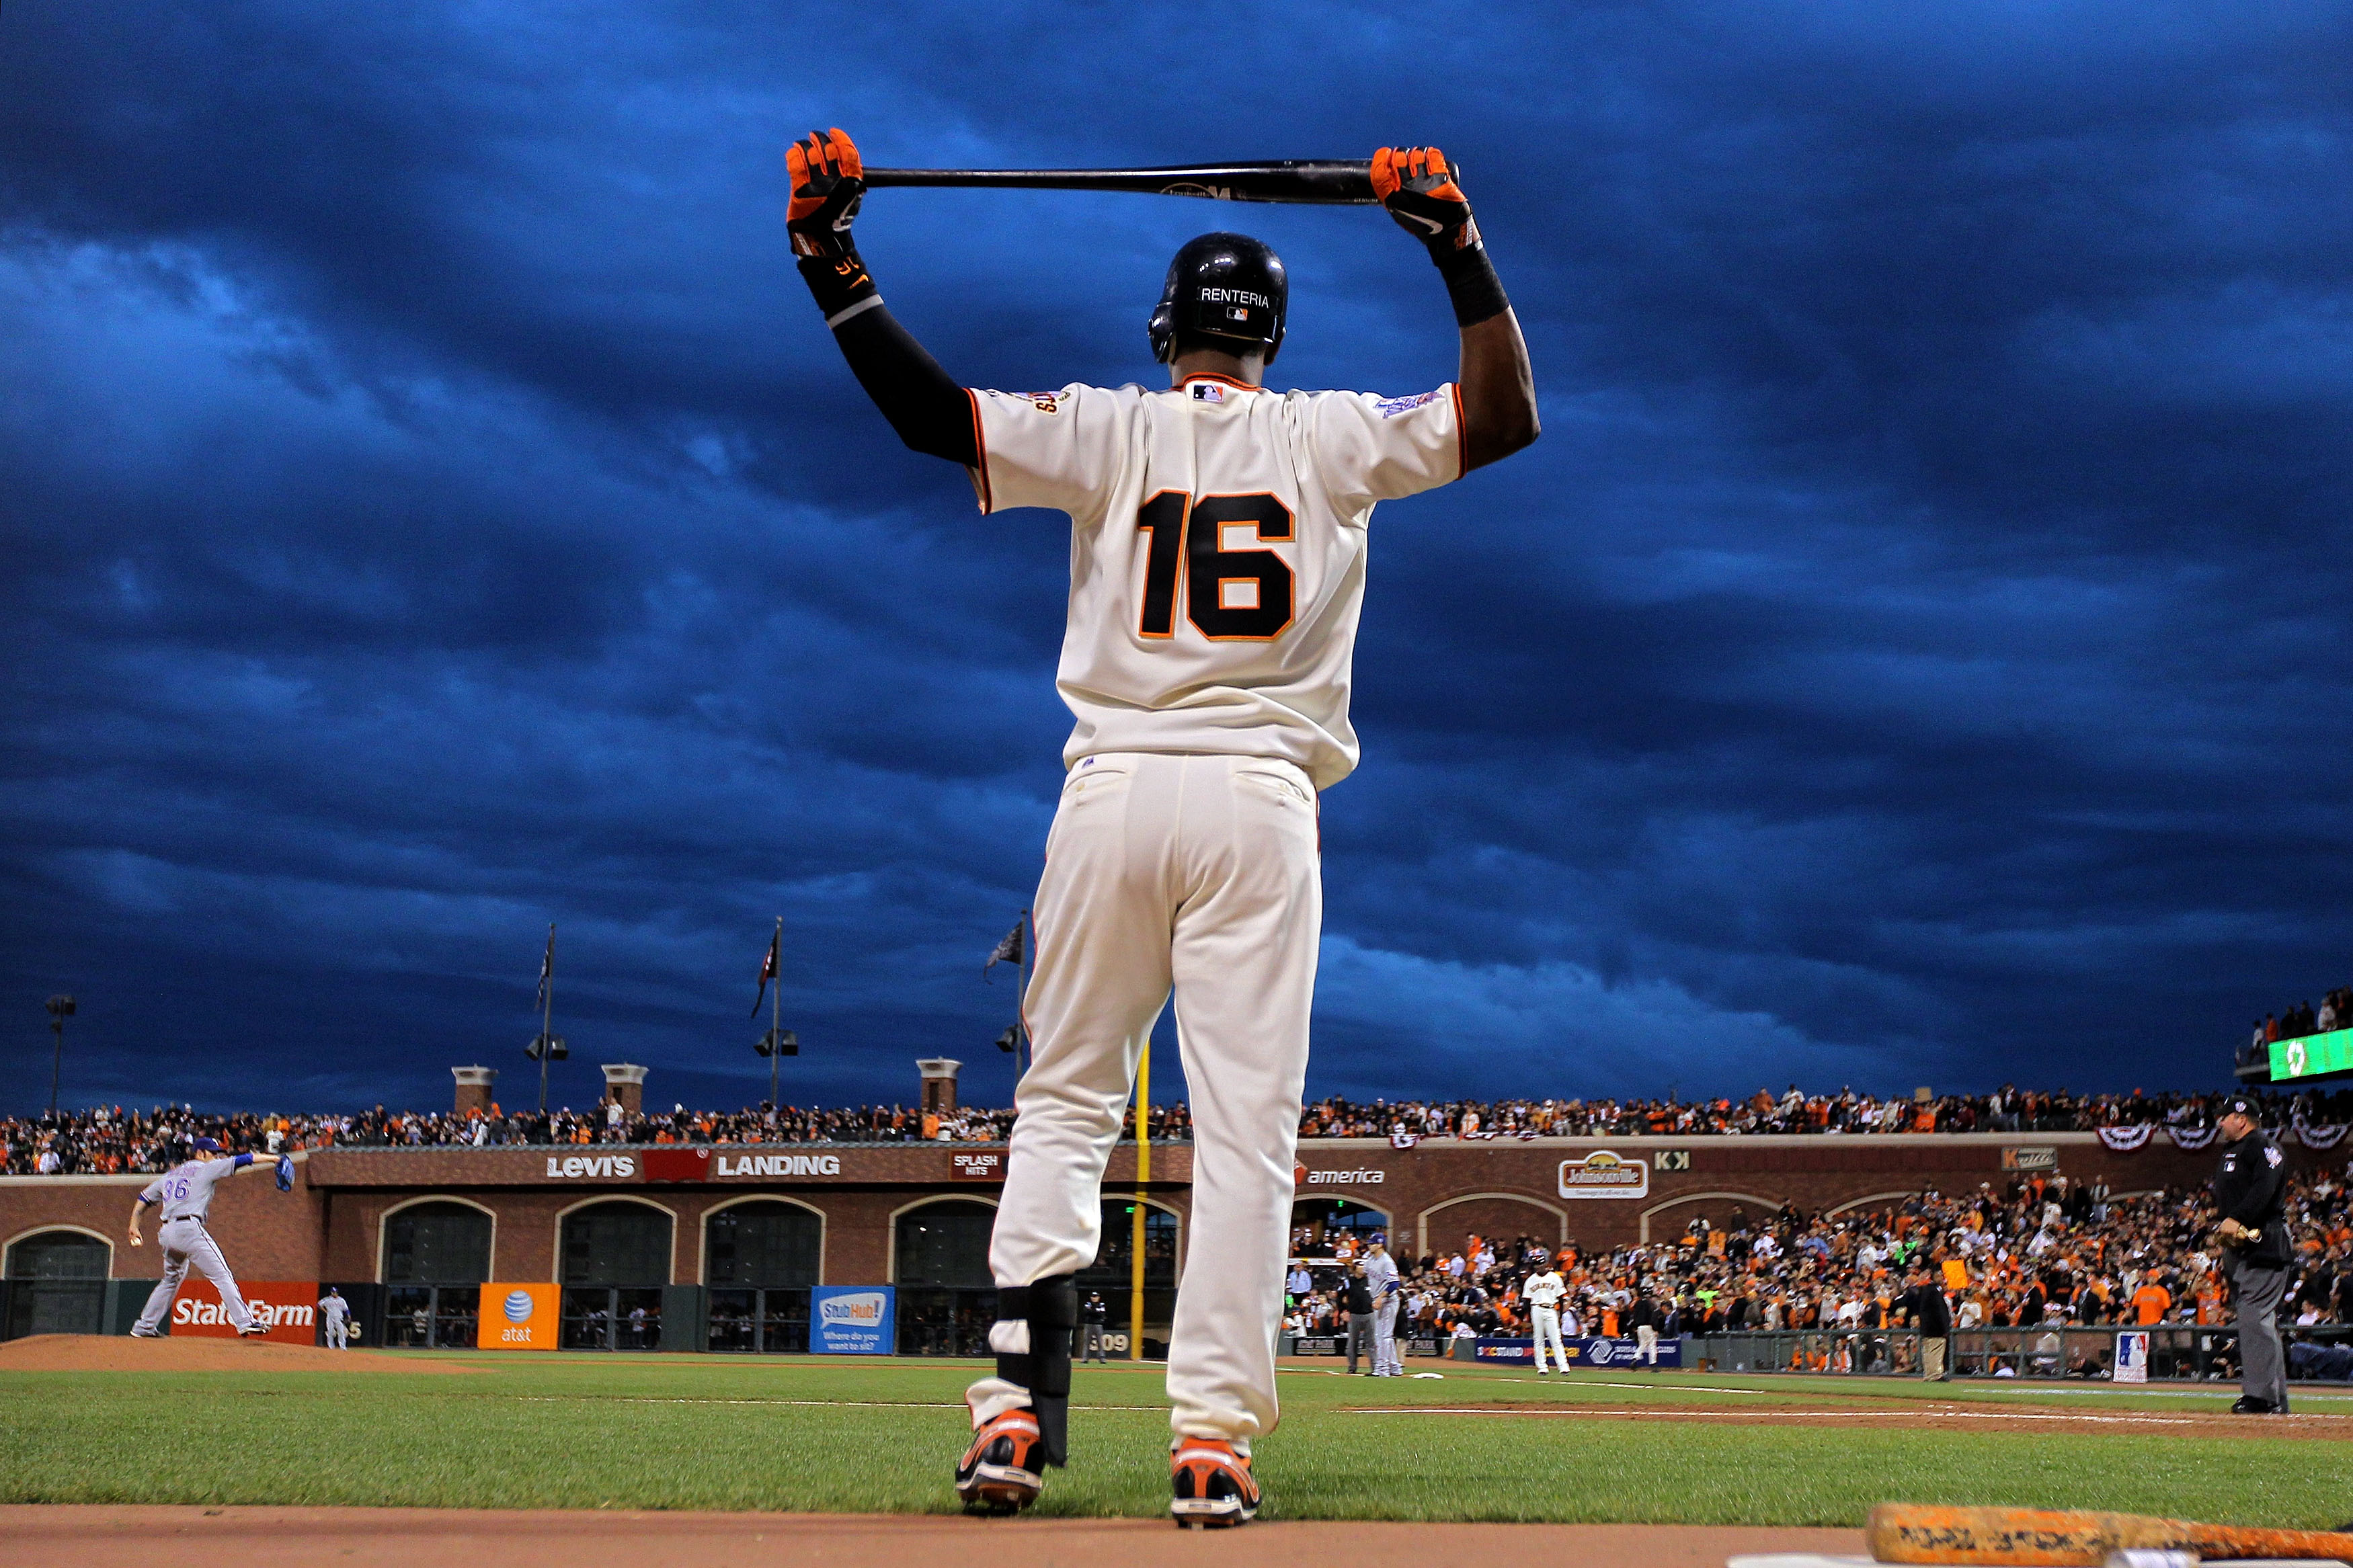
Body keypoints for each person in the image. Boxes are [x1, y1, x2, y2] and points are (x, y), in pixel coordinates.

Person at [785, 128, 1535, 1529]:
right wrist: (1454, 241)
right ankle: (1209, 1440)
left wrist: (828, 257)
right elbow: (1500, 419)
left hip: (1115, 785)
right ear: (1271, 339)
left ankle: (1012, 1409)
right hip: (1259, 800)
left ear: (1163, 330)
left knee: (1064, 1102)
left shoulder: (1109, 423)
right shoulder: (1328, 432)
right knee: (1247, 1134)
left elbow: (926, 414)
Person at [127, 1136, 291, 1337]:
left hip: (168, 1233)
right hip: (189, 1229)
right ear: (201, 1153)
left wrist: (134, 1225)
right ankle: (245, 1321)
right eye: (213, 1153)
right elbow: (244, 1160)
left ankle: (143, 1326)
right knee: (222, 1275)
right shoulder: (205, 1168)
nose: (216, 1157)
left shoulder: (170, 1176)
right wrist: (274, 1159)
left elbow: (144, 1198)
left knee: (171, 1278)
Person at [2211, 1094, 2292, 1413]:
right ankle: (2275, 1397)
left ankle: (2262, 1397)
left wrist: (2238, 1217)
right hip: (2241, 1246)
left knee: (2255, 1318)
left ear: (2241, 1119)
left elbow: (2265, 1188)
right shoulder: (2235, 1150)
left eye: (2225, 1116)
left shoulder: (2263, 1147)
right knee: (2256, 1320)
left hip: (2264, 1241)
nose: (2220, 1122)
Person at [1901, 1265, 1952, 1382]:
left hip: (1927, 1328)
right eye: (1939, 1275)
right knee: (1935, 1351)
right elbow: (1940, 1311)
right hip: (1936, 1328)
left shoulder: (1925, 1290)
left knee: (1928, 1352)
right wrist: (1945, 1328)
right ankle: (1935, 1375)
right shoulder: (1934, 1290)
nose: (1941, 1278)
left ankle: (1929, 1374)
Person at [1363, 1241, 1403, 1376]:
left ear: (1380, 1245)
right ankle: (1395, 1367)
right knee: (1383, 1335)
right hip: (1378, 1301)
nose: (1370, 1246)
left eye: (1372, 1243)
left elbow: (1394, 1283)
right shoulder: (1370, 1260)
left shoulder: (1387, 1261)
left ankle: (1382, 1368)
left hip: (1388, 1301)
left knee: (1384, 1335)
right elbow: (1362, 1271)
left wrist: (1380, 1298)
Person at [1524, 1258, 1568, 1374]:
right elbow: (1526, 1302)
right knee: (1538, 1339)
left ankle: (1563, 1366)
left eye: (1541, 1264)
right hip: (1536, 1308)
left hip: (1551, 1308)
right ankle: (1542, 1367)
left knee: (1556, 1339)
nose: (1539, 1267)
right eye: (1536, 1265)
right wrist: (1529, 1318)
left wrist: (1561, 1315)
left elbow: (1561, 1298)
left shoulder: (1555, 1277)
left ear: (1546, 1265)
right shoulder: (1530, 1280)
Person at [1342, 1262, 1378, 1374]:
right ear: (1355, 1269)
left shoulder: (1370, 1281)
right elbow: (1341, 1296)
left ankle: (1375, 1368)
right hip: (1354, 1315)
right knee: (1352, 1343)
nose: (1363, 1269)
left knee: (1371, 1343)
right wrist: (1344, 1310)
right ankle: (1352, 1367)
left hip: (1369, 1314)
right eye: (1361, 1267)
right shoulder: (1350, 1281)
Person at [318, 1286, 351, 1350]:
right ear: (331, 1292)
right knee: (330, 1332)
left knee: (341, 1332)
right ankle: (331, 1347)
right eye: (333, 1292)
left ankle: (343, 1347)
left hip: (339, 1317)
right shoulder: (327, 1299)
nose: (334, 1293)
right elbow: (319, 1304)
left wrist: (349, 1316)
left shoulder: (341, 1300)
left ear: (337, 1293)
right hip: (330, 1317)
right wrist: (325, 1311)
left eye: (335, 1292)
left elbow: (346, 1309)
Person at [1080, 1292, 1109, 1364]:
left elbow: (1101, 1314)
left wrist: (1092, 1311)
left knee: (1100, 1342)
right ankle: (1085, 1358)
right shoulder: (1088, 1304)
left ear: (1098, 1297)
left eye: (1095, 1296)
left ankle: (1102, 1358)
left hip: (1098, 1325)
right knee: (1086, 1342)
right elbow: (1085, 1312)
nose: (1094, 1298)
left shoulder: (1101, 1304)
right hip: (1088, 1324)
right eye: (1093, 1296)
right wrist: (1096, 1311)